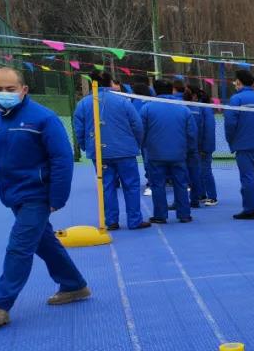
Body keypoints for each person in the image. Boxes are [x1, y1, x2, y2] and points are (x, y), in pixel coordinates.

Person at [0, 67, 90, 327]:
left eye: (10, 89)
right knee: (43, 242)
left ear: (23, 90)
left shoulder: (43, 118)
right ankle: (74, 284)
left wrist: (57, 197)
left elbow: (62, 158)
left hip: (37, 195)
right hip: (11, 192)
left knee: (19, 246)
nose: (4, 93)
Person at [71, 72, 149, 231]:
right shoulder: (123, 101)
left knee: (106, 185)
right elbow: (137, 125)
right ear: (110, 83)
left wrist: (87, 146)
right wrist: (136, 144)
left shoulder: (84, 104)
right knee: (131, 185)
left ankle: (111, 220)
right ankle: (134, 220)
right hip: (125, 151)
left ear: (92, 83)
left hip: (100, 152)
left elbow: (78, 129)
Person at [140, 79, 198, 224]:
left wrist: (145, 146)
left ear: (155, 91)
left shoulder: (147, 108)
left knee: (157, 185)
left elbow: (141, 131)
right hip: (179, 154)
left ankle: (160, 215)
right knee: (181, 183)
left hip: (155, 154)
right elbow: (192, 133)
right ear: (171, 90)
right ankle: (184, 214)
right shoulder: (183, 108)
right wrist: (190, 150)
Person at [225, 70, 254, 220]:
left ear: (239, 82)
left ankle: (249, 210)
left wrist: (231, 141)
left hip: (244, 147)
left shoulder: (236, 99)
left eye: (235, 81)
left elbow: (230, 123)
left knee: (247, 178)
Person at [191, 88, 218, 206]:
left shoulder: (204, 108)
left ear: (195, 96)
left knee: (206, 171)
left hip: (204, 147)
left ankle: (212, 197)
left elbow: (208, 129)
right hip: (198, 146)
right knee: (199, 171)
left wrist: (204, 147)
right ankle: (202, 194)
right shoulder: (198, 107)